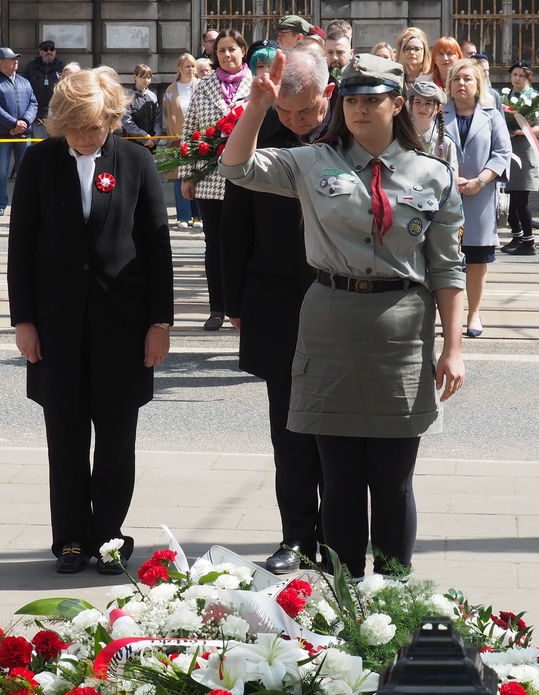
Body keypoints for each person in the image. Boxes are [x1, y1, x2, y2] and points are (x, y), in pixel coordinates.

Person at [220, 52, 465, 580]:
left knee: (394, 480)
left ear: (397, 104)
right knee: (341, 475)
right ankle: (347, 594)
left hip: (401, 329)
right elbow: (235, 168)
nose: (359, 110)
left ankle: (395, 598)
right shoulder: (313, 161)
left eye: (372, 100)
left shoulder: (434, 174)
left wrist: (453, 348)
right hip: (329, 323)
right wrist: (258, 106)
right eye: (351, 100)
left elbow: (447, 269)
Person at [6, 67, 173, 576]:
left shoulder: (137, 161)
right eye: (77, 128)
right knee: (66, 439)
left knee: (118, 441)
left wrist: (160, 323)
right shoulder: (39, 162)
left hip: (123, 326)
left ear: (112, 121)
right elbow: (21, 246)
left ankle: (110, 537)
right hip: (57, 325)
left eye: (96, 127)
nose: (86, 137)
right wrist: (24, 320)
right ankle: (71, 539)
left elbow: (157, 246)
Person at [220, 45, 323, 575]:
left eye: (305, 111)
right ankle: (297, 535)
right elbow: (234, 225)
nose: (295, 121)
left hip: (341, 300)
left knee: (339, 429)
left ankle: (339, 535)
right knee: (289, 425)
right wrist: (233, 301)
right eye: (286, 112)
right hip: (277, 297)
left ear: (327, 94)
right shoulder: (261, 137)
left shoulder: (345, 139)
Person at [181, 28, 252, 331]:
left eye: (232, 49)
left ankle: (245, 304)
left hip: (248, 178)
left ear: (242, 51)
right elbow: (190, 130)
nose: (227, 54)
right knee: (215, 245)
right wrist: (187, 175)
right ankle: (217, 308)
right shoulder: (205, 85)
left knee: (246, 243)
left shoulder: (256, 86)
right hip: (210, 178)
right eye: (221, 50)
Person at [443, 58, 512, 338]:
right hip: (443, 196)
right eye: (457, 79)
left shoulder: (491, 114)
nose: (462, 84)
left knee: (476, 258)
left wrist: (480, 180)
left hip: (479, 196)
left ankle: (473, 314)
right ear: (449, 84)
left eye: (468, 79)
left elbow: (502, 153)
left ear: (477, 84)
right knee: (443, 257)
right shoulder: (438, 112)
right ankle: (448, 316)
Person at [501, 60, 539, 256]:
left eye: (520, 75)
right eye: (514, 75)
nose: (516, 79)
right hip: (508, 151)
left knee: (521, 199)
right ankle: (517, 235)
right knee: (510, 198)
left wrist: (521, 130)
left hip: (525, 151)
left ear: (528, 77)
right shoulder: (506, 96)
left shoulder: (535, 98)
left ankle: (529, 241)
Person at [0, 46, 37, 217]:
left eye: (16, 58)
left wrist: (25, 122)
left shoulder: (25, 82)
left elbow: (33, 104)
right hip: (3, 135)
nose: (16, 61)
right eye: (12, 59)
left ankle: (25, 203)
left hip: (24, 134)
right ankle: (0, 204)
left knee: (26, 171)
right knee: (1, 171)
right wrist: (14, 123)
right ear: (2, 63)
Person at [163, 53, 200, 228]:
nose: (191, 70)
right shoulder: (171, 90)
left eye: (193, 66)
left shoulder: (201, 86)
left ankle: (197, 216)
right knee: (179, 176)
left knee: (198, 174)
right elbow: (167, 113)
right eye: (187, 66)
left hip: (198, 138)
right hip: (178, 138)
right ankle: (183, 216)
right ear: (179, 68)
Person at [408, 81, 458, 176]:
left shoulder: (445, 142)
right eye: (417, 102)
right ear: (410, 105)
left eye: (428, 103)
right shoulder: (400, 137)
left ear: (438, 108)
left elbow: (454, 180)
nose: (422, 107)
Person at [24, 40, 63, 140]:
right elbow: (25, 91)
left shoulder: (61, 67)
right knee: (40, 146)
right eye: (45, 49)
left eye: (51, 49)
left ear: (55, 51)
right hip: (38, 117)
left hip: (56, 117)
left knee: (56, 146)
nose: (49, 52)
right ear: (40, 52)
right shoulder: (31, 67)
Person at [122, 64, 162, 151]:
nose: (146, 80)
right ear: (135, 77)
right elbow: (126, 120)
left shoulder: (152, 96)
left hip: (150, 144)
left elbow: (158, 121)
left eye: (148, 78)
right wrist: (143, 136)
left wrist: (155, 139)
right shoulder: (128, 96)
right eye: (143, 77)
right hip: (132, 144)